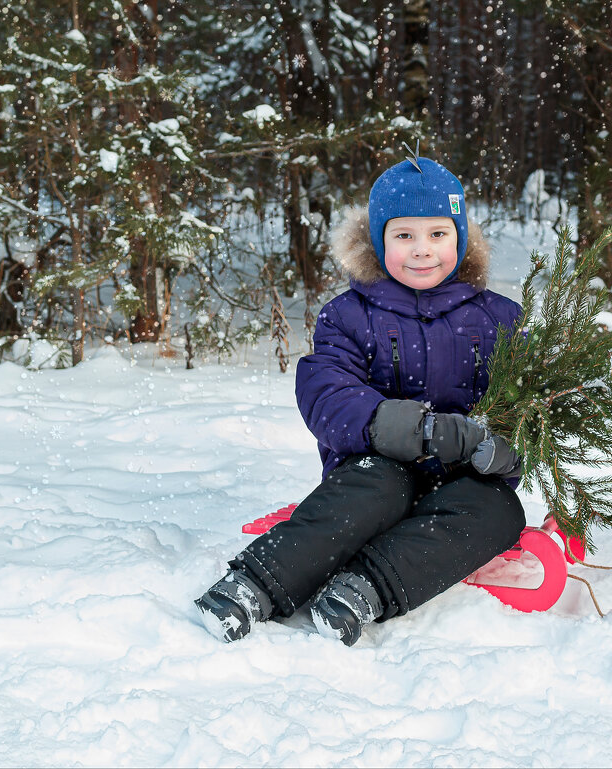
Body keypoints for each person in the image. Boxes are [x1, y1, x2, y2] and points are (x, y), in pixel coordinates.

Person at [194, 155, 527, 646]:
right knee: (380, 486)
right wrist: (407, 429)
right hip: (375, 468)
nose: (422, 251)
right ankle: (253, 586)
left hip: (461, 482)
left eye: (438, 234)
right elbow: (327, 390)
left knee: (500, 510)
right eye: (404, 236)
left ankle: (363, 590)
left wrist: (500, 447)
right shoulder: (349, 315)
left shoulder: (499, 320)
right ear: (378, 240)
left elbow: (525, 406)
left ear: (461, 239)